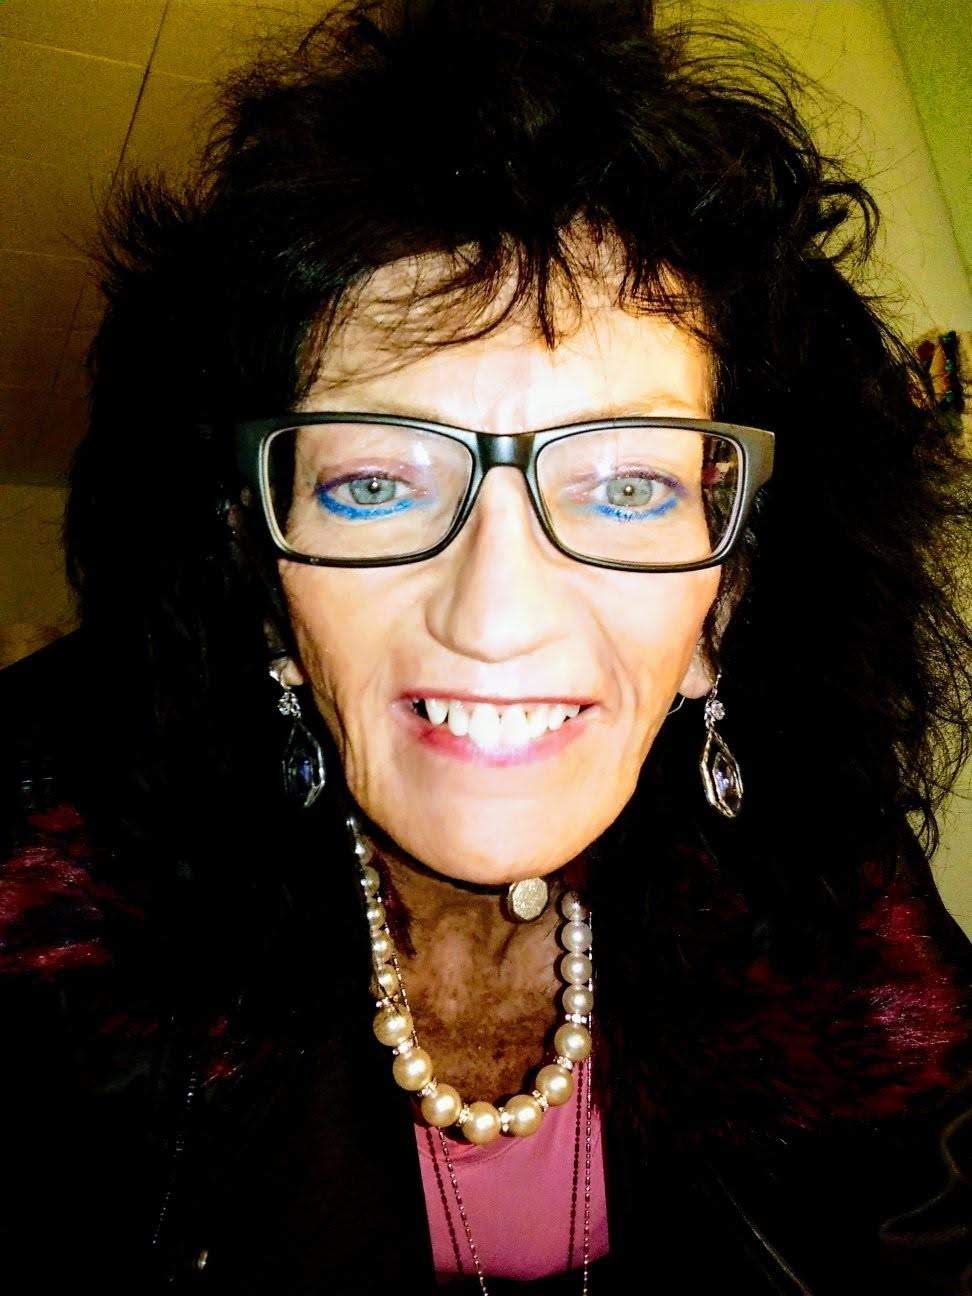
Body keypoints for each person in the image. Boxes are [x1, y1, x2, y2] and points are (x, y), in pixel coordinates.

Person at [2, 1, 971, 1291]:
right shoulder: (43, 918)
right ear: (260, 582)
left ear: (724, 602)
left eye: (626, 487)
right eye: (373, 486)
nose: (497, 618)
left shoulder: (835, 892)